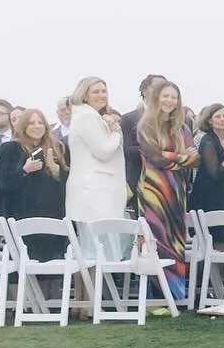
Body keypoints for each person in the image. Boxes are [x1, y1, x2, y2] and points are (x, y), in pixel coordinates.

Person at [136, 81, 198, 302]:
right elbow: (155, 158)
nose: (169, 100)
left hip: (176, 191)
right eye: (165, 96)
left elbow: (194, 159)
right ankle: (154, 299)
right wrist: (181, 157)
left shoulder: (183, 128)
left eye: (174, 97)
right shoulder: (146, 125)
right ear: (156, 98)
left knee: (175, 241)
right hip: (153, 190)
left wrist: (173, 157)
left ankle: (174, 296)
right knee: (154, 241)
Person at [0, 109, 69, 261]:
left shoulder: (58, 148)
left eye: (40, 122)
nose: (36, 126)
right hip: (21, 217)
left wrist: (56, 171)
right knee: (19, 272)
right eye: (31, 123)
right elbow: (1, 186)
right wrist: (24, 170)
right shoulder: (10, 149)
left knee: (50, 271)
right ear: (23, 126)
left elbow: (68, 186)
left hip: (51, 218)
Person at [64, 77, 128, 233]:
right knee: (99, 245)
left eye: (104, 91)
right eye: (96, 91)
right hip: (95, 189)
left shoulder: (89, 116)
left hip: (97, 188)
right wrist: (115, 132)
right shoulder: (87, 116)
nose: (102, 95)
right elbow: (103, 151)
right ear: (84, 96)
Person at [192, 103, 224, 249]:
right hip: (208, 196)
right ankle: (209, 272)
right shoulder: (208, 140)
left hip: (223, 193)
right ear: (210, 120)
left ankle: (221, 272)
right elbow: (215, 173)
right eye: (217, 116)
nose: (222, 119)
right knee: (214, 241)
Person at [121, 74, 166, 210]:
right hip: (141, 179)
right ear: (145, 90)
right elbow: (128, 150)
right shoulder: (129, 118)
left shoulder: (174, 119)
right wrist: (156, 151)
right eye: (156, 86)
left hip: (167, 181)